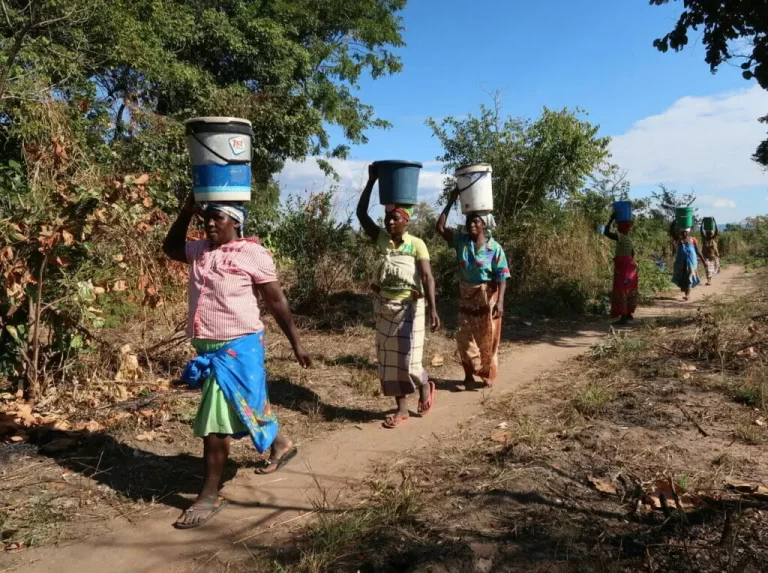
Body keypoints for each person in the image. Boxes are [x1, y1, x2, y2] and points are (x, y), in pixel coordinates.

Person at [163, 194, 311, 529]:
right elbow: (171, 248)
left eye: (218, 218)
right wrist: (186, 212)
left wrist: (296, 343)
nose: (210, 224)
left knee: (216, 422)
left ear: (236, 221)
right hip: (209, 349)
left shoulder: (252, 253)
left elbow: (276, 301)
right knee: (246, 405)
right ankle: (281, 444)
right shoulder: (199, 250)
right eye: (207, 219)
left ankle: (208, 496)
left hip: (239, 347)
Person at [356, 164, 440, 429]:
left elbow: (427, 277)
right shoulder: (381, 238)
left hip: (411, 307)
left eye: (396, 218)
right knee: (389, 362)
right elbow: (360, 214)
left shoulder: (416, 244)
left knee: (411, 362)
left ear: (407, 221)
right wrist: (371, 182)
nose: (390, 221)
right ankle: (402, 408)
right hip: (384, 306)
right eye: (388, 218)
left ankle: (425, 383)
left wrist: (435, 310)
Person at [436, 187, 510, 389]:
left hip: (488, 297)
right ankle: (469, 374)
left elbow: (502, 275)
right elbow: (440, 228)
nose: (472, 225)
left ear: (484, 224)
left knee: (487, 338)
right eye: (469, 221)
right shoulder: (461, 243)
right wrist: (451, 201)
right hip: (467, 295)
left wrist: (500, 301)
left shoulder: (494, 248)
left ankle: (486, 374)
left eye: (476, 221)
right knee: (464, 337)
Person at [602, 213, 639, 325]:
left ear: (620, 227)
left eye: (618, 226)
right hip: (631, 267)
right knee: (629, 289)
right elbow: (632, 253)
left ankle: (623, 316)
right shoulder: (628, 238)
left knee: (621, 289)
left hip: (624, 268)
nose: (617, 228)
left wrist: (611, 219)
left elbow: (606, 232)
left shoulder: (621, 236)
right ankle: (628, 314)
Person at [670, 223, 705, 301]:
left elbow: (697, 251)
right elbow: (672, 232)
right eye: (682, 232)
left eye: (686, 232)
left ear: (689, 232)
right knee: (682, 278)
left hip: (691, 262)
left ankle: (687, 295)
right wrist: (675, 222)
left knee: (689, 277)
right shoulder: (679, 240)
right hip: (681, 262)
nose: (684, 233)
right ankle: (686, 292)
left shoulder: (693, 240)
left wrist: (703, 261)